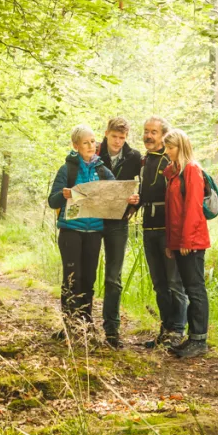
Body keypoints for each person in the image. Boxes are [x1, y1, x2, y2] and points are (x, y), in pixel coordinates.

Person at [47, 125, 115, 339]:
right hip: (70, 231)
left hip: (94, 232)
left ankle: (85, 324)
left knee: (88, 278)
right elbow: (52, 200)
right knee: (72, 278)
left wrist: (130, 199)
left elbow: (116, 195)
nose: (90, 146)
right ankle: (69, 325)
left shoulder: (103, 170)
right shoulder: (68, 169)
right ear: (76, 146)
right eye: (85, 142)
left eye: (93, 142)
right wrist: (64, 194)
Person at [129, 117, 187, 349]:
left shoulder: (171, 160)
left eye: (153, 132)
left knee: (174, 282)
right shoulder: (145, 161)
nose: (148, 136)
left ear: (164, 135)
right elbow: (146, 192)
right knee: (159, 283)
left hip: (168, 229)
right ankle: (166, 329)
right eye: (146, 131)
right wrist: (135, 202)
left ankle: (178, 331)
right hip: (148, 228)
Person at [162, 128, 211, 358]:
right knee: (189, 287)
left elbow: (193, 208)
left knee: (195, 289)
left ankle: (199, 340)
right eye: (167, 147)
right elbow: (173, 213)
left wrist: (186, 241)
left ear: (181, 147)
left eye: (171, 148)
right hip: (180, 241)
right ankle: (191, 339)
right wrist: (171, 244)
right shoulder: (174, 173)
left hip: (192, 241)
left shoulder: (191, 170)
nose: (167, 151)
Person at [97, 117, 142, 349]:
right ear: (106, 134)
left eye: (122, 138)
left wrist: (135, 204)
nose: (117, 141)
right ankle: (76, 324)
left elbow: (141, 187)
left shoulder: (133, 157)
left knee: (113, 278)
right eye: (114, 136)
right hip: (92, 221)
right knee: (84, 274)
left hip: (118, 222)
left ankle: (112, 330)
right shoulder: (93, 151)